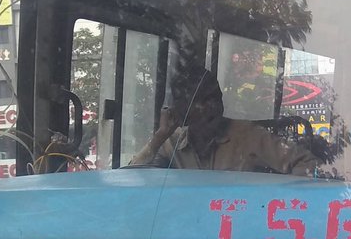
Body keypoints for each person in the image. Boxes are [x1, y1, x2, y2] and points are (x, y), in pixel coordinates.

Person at [127, 70, 319, 175]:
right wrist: (160, 136)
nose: (214, 107)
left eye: (216, 98)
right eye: (202, 101)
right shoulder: (170, 143)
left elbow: (307, 164)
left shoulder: (248, 135)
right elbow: (131, 177)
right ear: (182, 109)